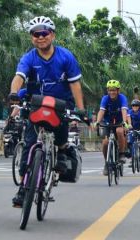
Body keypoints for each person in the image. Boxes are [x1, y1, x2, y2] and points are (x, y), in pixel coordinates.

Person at [8, 16, 85, 207]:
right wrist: (13, 93)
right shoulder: (29, 58)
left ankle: (61, 152)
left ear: (52, 35)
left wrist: (81, 109)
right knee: (29, 145)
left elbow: (75, 84)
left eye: (44, 33)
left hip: (60, 105)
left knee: (61, 137)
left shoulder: (66, 57)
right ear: (32, 37)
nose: (40, 37)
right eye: (36, 34)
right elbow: (19, 77)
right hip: (36, 106)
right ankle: (22, 190)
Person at [94, 80, 129, 175]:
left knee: (120, 131)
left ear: (118, 91)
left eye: (114, 90)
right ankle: (106, 163)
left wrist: (124, 122)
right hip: (108, 123)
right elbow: (101, 111)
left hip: (119, 122)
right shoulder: (105, 98)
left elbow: (124, 110)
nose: (112, 92)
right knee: (105, 143)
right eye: (110, 90)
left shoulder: (122, 98)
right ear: (107, 91)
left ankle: (121, 154)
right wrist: (97, 121)